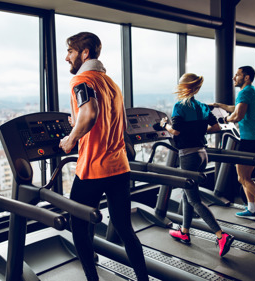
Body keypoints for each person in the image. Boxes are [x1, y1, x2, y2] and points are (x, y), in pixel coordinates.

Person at [59, 32, 149, 281]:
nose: (67, 57)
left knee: (78, 227)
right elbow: (105, 118)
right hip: (119, 167)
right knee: (125, 229)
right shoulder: (110, 83)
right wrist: (76, 122)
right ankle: (143, 278)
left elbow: (89, 113)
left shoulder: (81, 80)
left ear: (84, 53)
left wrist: (70, 139)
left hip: (92, 168)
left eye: (70, 51)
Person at [159, 73, 235, 257]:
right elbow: (215, 127)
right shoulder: (202, 106)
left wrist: (164, 125)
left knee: (194, 200)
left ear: (183, 87)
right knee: (188, 194)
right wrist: (199, 130)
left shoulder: (180, 106)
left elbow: (175, 131)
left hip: (188, 156)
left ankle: (221, 234)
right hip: (202, 154)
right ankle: (184, 232)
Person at [211, 66, 255, 229]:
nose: (234, 78)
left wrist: (223, 121)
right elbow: (237, 109)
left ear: (246, 77)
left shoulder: (244, 93)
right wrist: (219, 105)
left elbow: (238, 115)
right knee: (244, 177)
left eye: (237, 75)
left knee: (244, 178)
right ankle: (252, 209)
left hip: (249, 140)